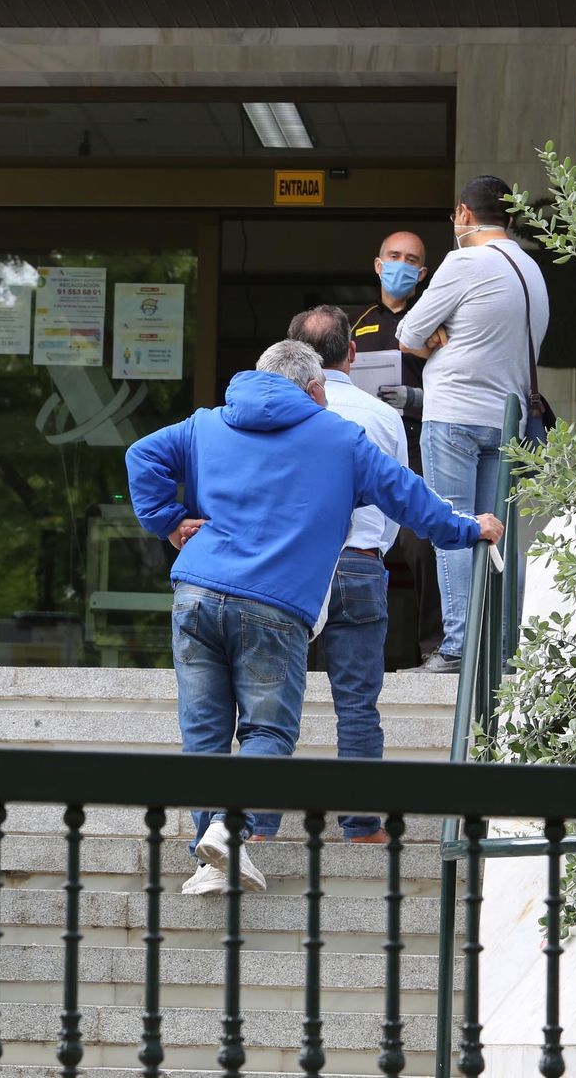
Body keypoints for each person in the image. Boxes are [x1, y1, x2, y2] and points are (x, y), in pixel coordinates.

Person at [125, 341, 503, 895]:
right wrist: (471, 528)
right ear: (312, 388)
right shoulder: (340, 437)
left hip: (196, 596)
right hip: (273, 604)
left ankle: (213, 862)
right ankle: (230, 829)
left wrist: (172, 523)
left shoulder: (205, 424)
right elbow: (411, 501)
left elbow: (142, 456)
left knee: (203, 736)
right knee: (269, 731)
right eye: (322, 390)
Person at [253, 306, 408, 846]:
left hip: (291, 566)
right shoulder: (382, 416)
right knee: (358, 704)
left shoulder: (269, 416)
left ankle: (259, 827)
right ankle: (362, 825)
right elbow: (397, 499)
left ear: (292, 355)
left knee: (270, 702)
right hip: (361, 566)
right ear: (353, 353)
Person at [396, 176, 550, 673]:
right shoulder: (530, 268)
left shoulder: (464, 261)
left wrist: (437, 337)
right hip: (507, 421)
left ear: (464, 214)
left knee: (453, 527)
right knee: (497, 533)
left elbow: (407, 332)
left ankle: (458, 645)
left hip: (455, 415)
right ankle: (504, 649)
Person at [352, 232, 444, 664]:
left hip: (416, 441)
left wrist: (417, 399)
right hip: (363, 445)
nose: (401, 265)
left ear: (423, 273)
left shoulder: (437, 321)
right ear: (377, 264)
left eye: (411, 260)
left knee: (422, 541)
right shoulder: (354, 324)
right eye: (394, 256)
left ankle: (437, 647)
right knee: (347, 541)